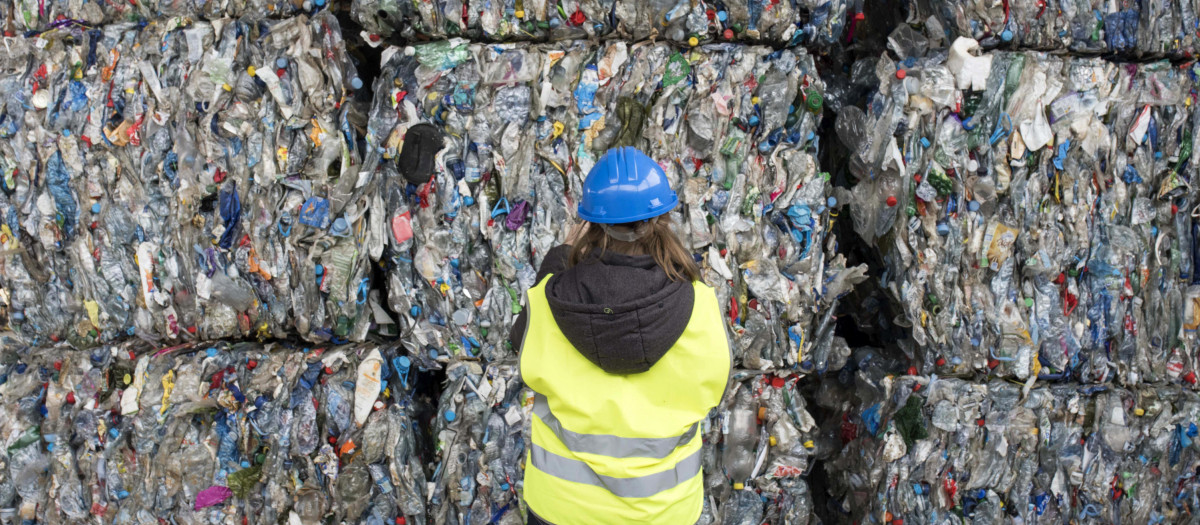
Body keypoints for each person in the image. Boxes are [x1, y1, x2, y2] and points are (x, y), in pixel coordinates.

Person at [510, 147, 732, 524]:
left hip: (563, 510)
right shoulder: (701, 306)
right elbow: (717, 392)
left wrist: (561, 254)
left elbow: (520, 345)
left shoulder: (547, 303)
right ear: (661, 218)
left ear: (589, 224)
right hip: (664, 512)